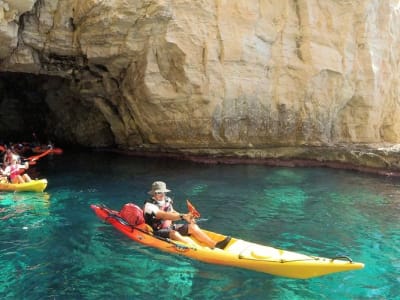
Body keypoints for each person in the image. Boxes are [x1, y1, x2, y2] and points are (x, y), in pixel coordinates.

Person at [143, 181, 231, 249]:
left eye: (163, 192)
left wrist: (186, 218)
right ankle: (195, 248)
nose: (162, 194)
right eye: (159, 192)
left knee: (193, 226)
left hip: (169, 227)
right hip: (156, 231)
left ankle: (214, 245)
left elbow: (172, 212)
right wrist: (182, 216)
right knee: (174, 234)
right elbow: (163, 215)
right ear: (154, 193)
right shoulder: (149, 205)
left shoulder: (167, 200)